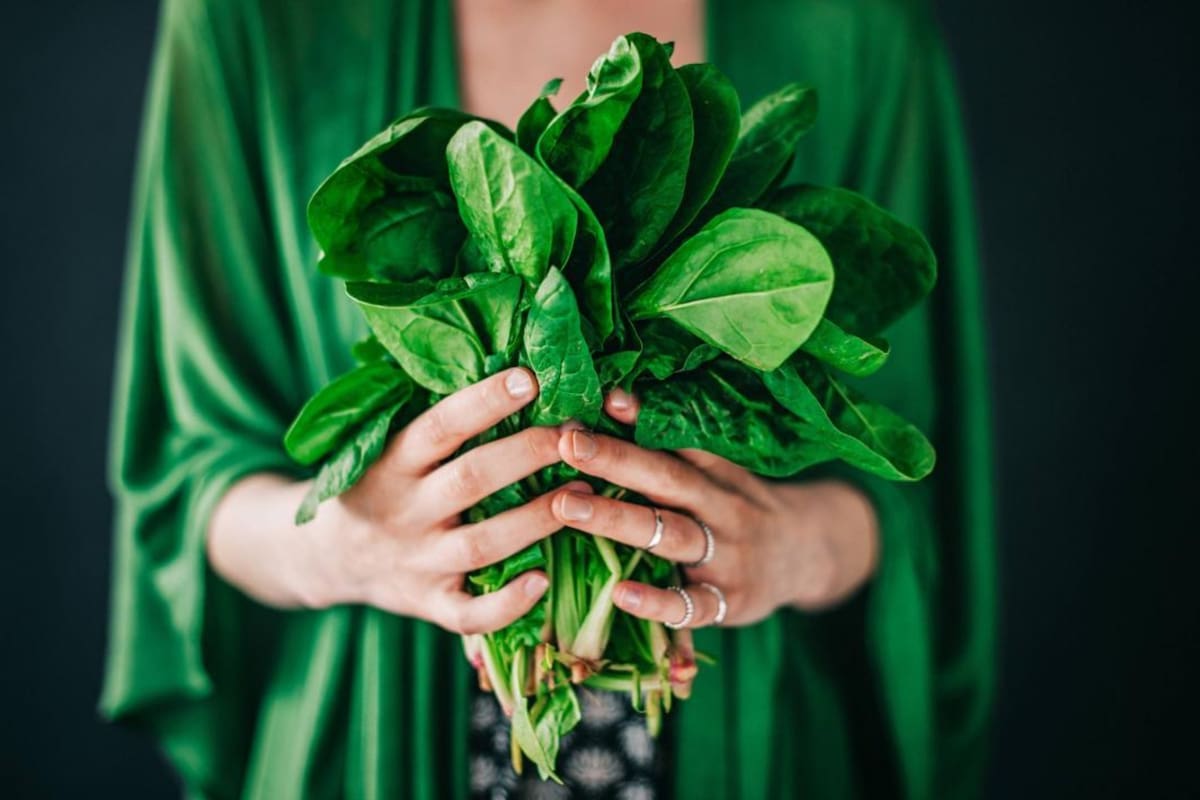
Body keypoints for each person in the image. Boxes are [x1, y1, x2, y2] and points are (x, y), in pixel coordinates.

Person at [101, 0, 995, 798]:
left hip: (755, 744)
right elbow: (187, 477)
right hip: (368, 743)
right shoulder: (248, 20)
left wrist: (794, 547)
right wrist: (348, 547)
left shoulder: (860, 29)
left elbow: (914, 480)